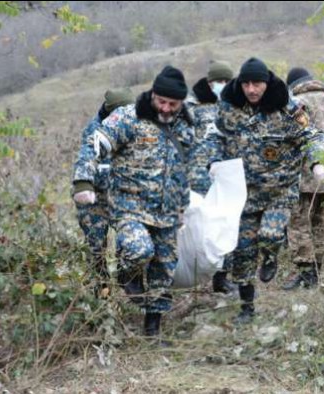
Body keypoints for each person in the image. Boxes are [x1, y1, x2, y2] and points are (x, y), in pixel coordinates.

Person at [201, 57, 324, 324]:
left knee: (270, 235)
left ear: (266, 83)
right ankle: (247, 308)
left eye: (257, 84)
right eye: (246, 84)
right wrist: (213, 160)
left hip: (280, 191)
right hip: (243, 193)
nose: (251, 89)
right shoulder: (230, 108)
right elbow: (214, 136)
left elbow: (314, 136)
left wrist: (316, 163)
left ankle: (271, 255)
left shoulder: (286, 108)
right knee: (243, 253)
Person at [72, 66, 194, 337]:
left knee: (164, 270)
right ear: (152, 95)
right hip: (129, 207)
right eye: (160, 101)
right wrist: (83, 181)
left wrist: (185, 205)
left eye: (172, 104)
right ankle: (127, 274)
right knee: (139, 250)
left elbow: (186, 166)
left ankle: (153, 329)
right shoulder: (129, 117)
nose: (165, 107)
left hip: (168, 211)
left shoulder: (185, 124)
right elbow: (96, 142)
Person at [282, 67, 324, 290]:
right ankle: (318, 267)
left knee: (299, 221)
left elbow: (291, 139)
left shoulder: (297, 103)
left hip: (304, 173)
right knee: (321, 219)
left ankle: (306, 272)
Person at [72, 88, 134, 297]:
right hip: (95, 199)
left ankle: (129, 280)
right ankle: (102, 292)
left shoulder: (136, 125)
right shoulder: (95, 130)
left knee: (130, 241)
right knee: (96, 248)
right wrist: (86, 184)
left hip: (123, 196)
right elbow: (87, 160)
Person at [187, 60, 238, 295]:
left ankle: (221, 278)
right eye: (219, 81)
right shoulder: (191, 107)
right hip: (195, 178)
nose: (223, 85)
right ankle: (189, 275)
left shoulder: (234, 107)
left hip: (223, 178)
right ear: (209, 83)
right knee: (196, 229)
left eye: (227, 81)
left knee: (225, 225)